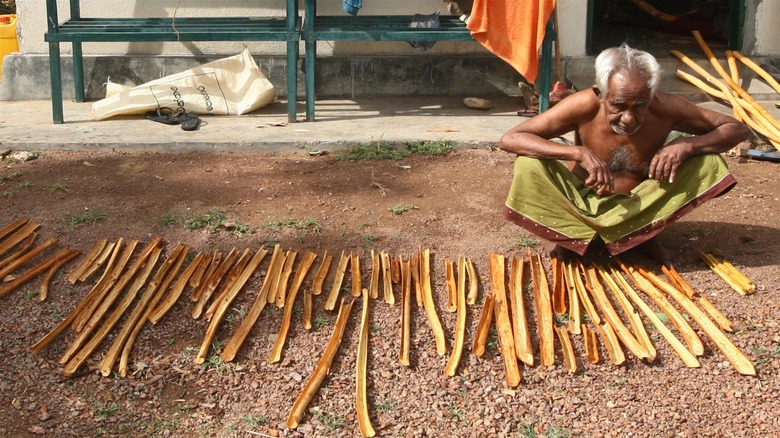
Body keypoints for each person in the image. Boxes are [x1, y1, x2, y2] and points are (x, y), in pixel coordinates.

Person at [499, 44, 749, 265]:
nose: (628, 118)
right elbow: (511, 138)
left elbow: (736, 129)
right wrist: (576, 152)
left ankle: (644, 235)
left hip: (640, 205)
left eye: (640, 106)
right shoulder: (582, 104)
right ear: (600, 94)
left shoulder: (667, 106)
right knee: (528, 164)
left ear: (651, 97)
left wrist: (685, 145)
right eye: (618, 105)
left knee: (707, 161)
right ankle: (568, 235)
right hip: (580, 203)